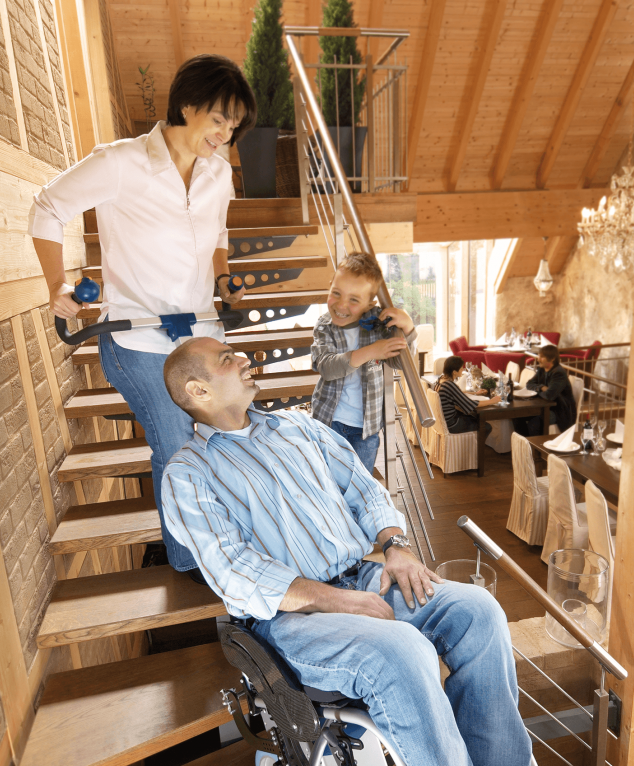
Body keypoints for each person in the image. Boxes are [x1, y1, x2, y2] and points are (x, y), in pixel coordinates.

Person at [159, 336, 532, 766]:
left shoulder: (300, 427)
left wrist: (396, 545)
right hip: (287, 620)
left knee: (478, 611)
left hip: (363, 578)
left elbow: (364, 489)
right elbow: (234, 572)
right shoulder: (188, 474)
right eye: (227, 359)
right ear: (198, 391)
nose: (245, 359)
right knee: (402, 651)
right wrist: (339, 601)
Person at [27, 54, 257, 580]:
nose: (225, 134)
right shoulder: (119, 163)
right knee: (176, 441)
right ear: (187, 104)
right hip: (137, 342)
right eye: (219, 119)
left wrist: (223, 279)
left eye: (234, 125)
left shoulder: (218, 174)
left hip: (200, 337)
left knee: (222, 437)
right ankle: (189, 560)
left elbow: (217, 237)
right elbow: (46, 207)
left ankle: (225, 538)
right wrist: (55, 284)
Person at [310, 253, 417, 473]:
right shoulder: (324, 327)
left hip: (366, 430)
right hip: (329, 422)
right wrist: (371, 352)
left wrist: (408, 327)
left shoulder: (379, 325)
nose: (341, 305)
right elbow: (327, 368)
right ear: (330, 287)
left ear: (370, 303)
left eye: (354, 299)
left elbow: (401, 361)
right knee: (328, 483)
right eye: (336, 293)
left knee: (360, 485)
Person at [513, 344, 576, 437]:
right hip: (544, 407)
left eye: (542, 357)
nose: (538, 359)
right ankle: (525, 443)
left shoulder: (559, 373)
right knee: (516, 416)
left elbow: (549, 395)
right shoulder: (542, 369)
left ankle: (535, 448)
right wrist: (541, 387)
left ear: (552, 358)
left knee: (535, 421)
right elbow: (529, 384)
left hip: (559, 412)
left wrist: (538, 390)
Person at [434, 355, 498, 434]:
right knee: (486, 427)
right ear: (454, 372)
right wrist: (492, 401)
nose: (462, 370)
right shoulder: (449, 385)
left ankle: (471, 443)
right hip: (452, 424)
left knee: (473, 418)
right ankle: (475, 446)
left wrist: (475, 393)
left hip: (444, 421)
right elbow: (470, 404)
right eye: (461, 368)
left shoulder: (441, 379)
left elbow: (455, 393)